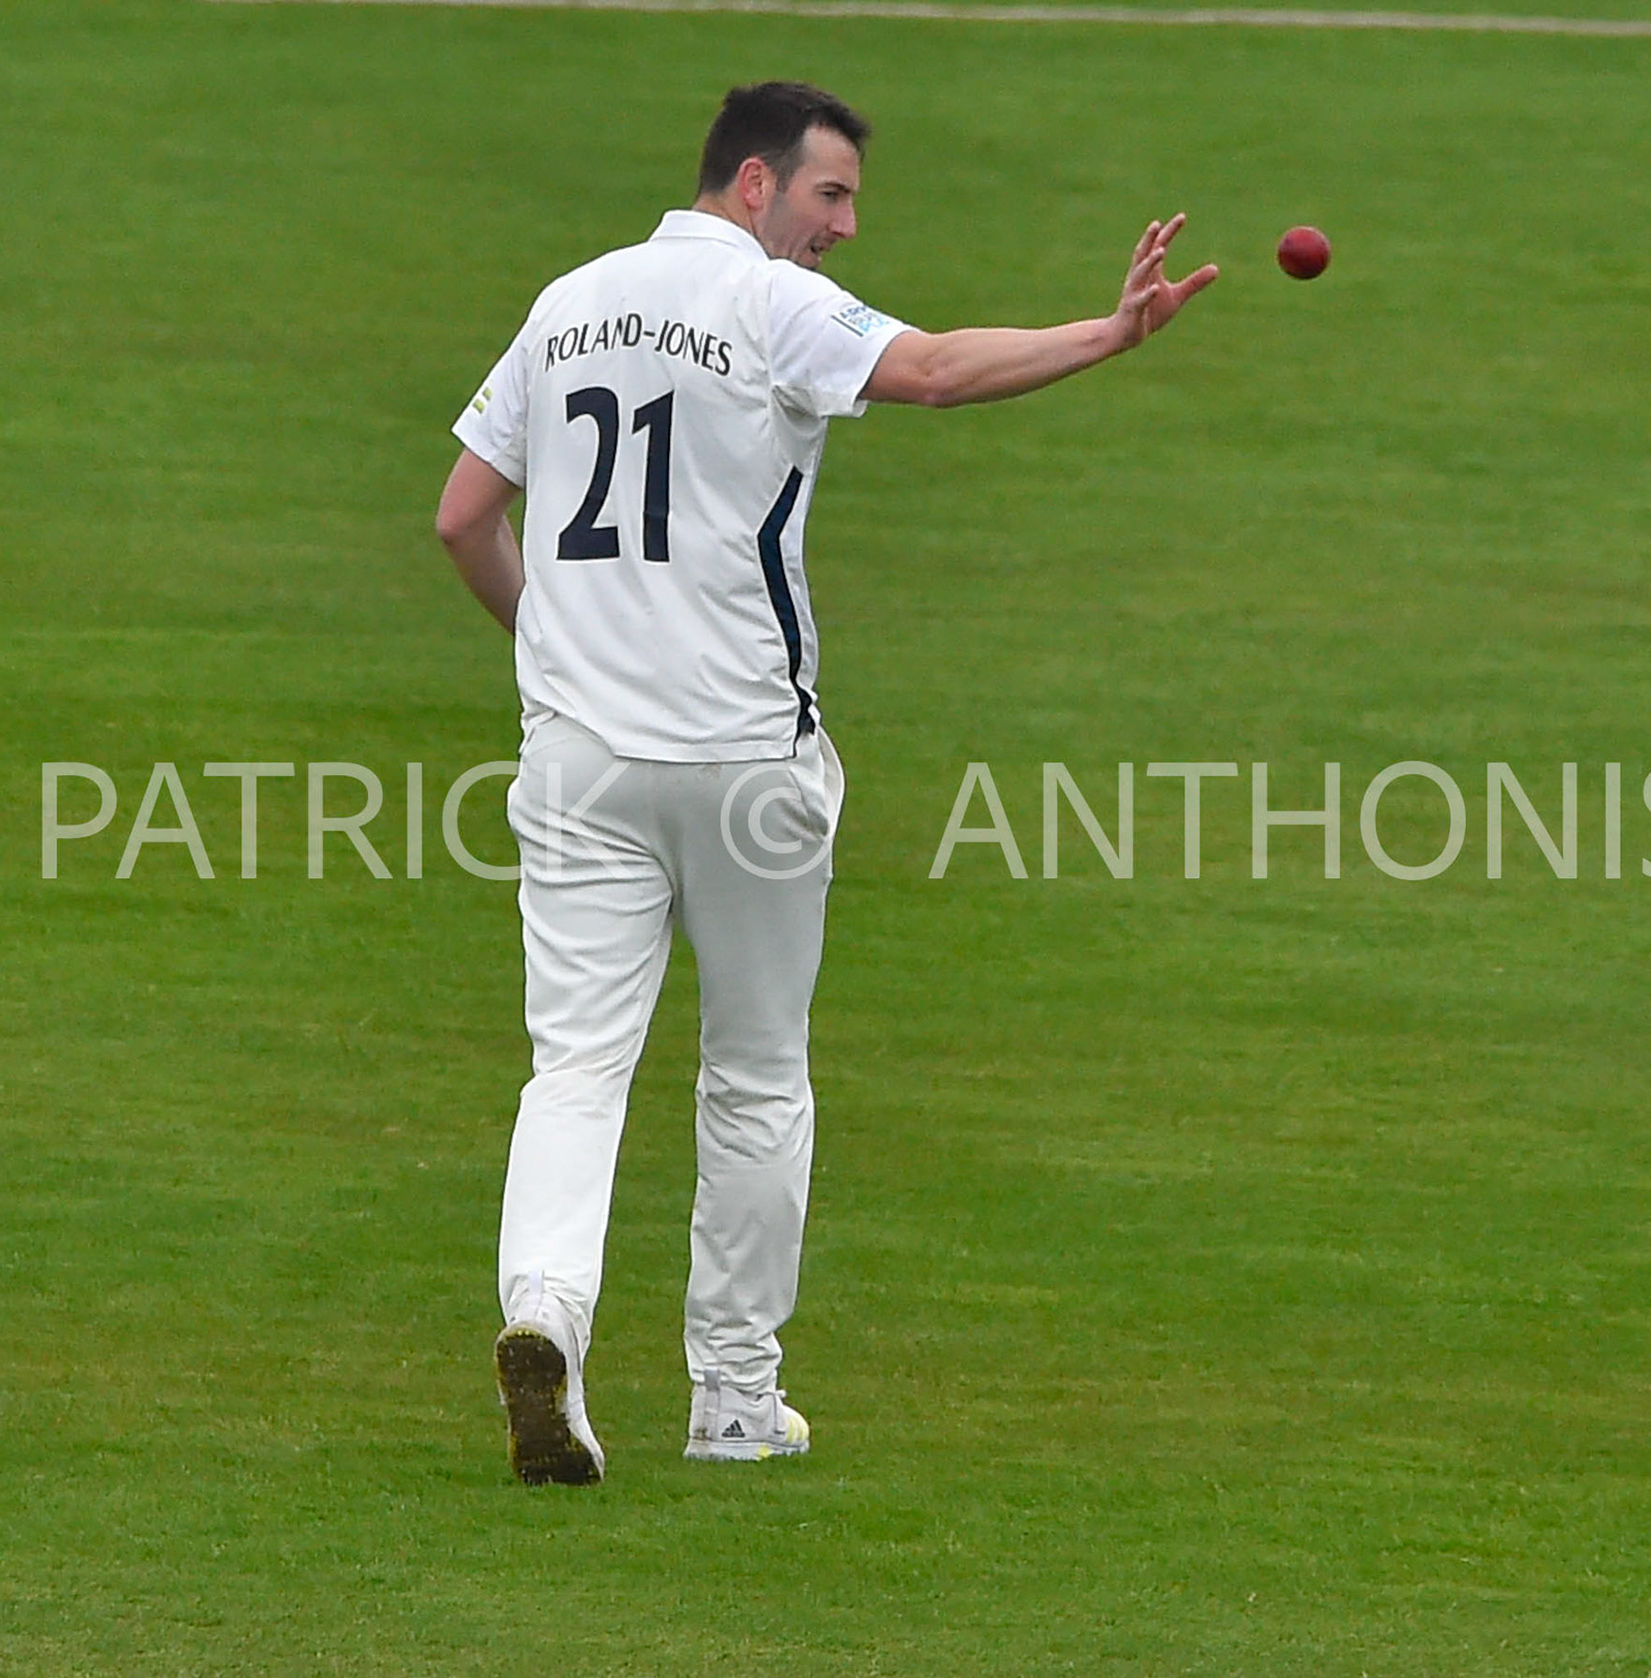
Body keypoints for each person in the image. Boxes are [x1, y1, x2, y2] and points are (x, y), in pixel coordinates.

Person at [435, 80, 1217, 1485]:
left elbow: (461, 514)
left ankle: (543, 1311)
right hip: (745, 763)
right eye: (831, 196)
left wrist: (554, 648)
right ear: (753, 185)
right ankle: (734, 1399)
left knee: (578, 1067)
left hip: (578, 763)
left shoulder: (566, 303)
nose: (843, 229)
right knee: (756, 1074)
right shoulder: (761, 301)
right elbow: (929, 368)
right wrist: (1108, 334)